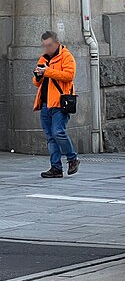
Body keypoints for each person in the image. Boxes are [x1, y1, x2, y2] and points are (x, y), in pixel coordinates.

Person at [33, 31, 80, 178]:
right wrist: (39, 75)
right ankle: (56, 168)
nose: (46, 48)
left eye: (49, 45)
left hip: (60, 102)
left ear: (57, 43)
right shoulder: (43, 58)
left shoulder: (66, 56)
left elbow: (69, 76)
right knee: (50, 137)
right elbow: (36, 82)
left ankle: (73, 159)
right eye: (44, 46)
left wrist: (48, 71)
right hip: (46, 103)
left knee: (58, 132)